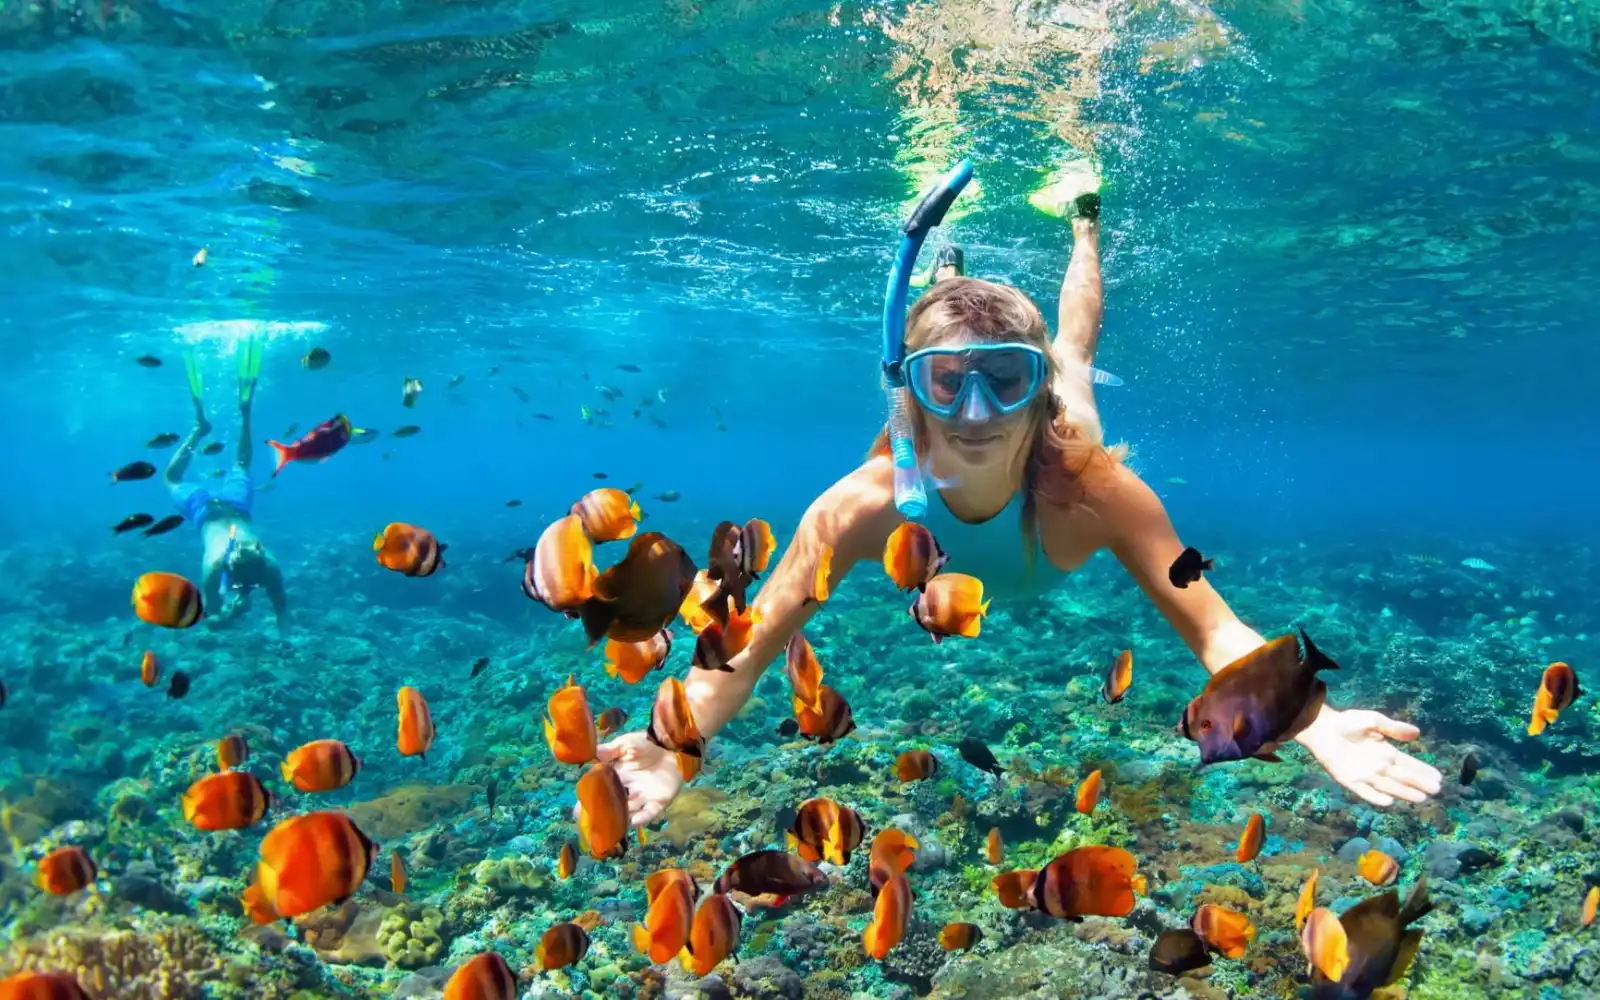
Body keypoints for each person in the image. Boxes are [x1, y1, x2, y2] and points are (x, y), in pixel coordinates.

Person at [593, 191, 1443, 826]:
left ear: (1037, 401)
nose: (974, 414)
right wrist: (676, 748)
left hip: (1064, 442)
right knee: (961, 322)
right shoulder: (862, 507)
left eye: (1006, 380)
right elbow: (752, 639)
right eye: (945, 384)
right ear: (911, 400)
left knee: (1072, 348)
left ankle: (1082, 220)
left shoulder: (1096, 490)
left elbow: (1214, 628)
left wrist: (1310, 718)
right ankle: (950, 279)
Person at [164, 334, 288, 635]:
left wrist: (233, 609)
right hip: (205, 510)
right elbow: (216, 622)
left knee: (238, 465)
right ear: (258, 550)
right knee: (173, 480)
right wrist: (233, 613)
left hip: (235, 506)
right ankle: (211, 424)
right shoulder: (257, 568)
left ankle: (220, 422)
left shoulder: (233, 565)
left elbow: (214, 616)